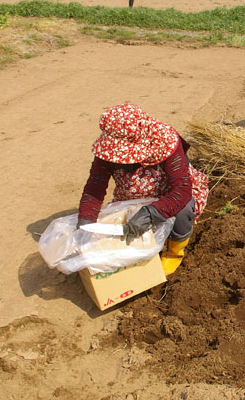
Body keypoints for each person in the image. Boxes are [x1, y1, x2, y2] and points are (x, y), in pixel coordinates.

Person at [77, 103, 209, 275]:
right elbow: (95, 186)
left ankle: (174, 252)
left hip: (169, 195)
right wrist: (86, 219)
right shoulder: (110, 147)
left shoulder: (166, 141)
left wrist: (150, 213)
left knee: (184, 207)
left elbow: (182, 190)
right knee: (124, 225)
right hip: (131, 195)